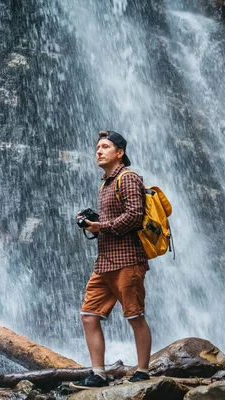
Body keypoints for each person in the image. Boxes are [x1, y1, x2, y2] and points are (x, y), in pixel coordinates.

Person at [73, 130, 152, 388]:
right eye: (97, 147)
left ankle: (142, 370)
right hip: (105, 263)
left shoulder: (127, 178)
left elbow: (134, 216)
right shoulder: (105, 183)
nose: (98, 151)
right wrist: (92, 222)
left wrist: (100, 226)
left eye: (105, 147)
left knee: (134, 316)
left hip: (127, 261)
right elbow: (113, 219)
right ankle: (98, 373)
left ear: (120, 153)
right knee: (88, 315)